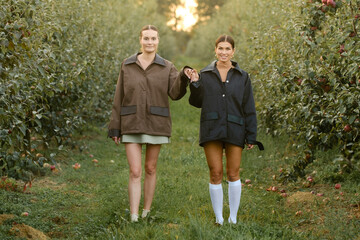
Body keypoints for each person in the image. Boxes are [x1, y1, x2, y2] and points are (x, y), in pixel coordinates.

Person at [108, 25, 191, 222]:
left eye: (153, 38)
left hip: (156, 122)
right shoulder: (127, 65)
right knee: (135, 170)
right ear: (140, 40)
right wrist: (115, 126)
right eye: (146, 38)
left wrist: (183, 77)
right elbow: (118, 95)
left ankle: (146, 210)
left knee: (150, 168)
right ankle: (134, 215)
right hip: (131, 121)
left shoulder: (167, 67)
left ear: (158, 41)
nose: (150, 42)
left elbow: (175, 93)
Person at [187, 35, 264, 225]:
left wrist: (251, 136)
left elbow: (249, 107)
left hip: (235, 127)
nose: (223, 52)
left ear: (233, 51)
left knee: (233, 173)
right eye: (220, 48)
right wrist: (195, 83)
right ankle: (219, 218)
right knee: (215, 173)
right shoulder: (205, 74)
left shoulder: (242, 76)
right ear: (215, 50)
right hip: (211, 127)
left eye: (227, 49)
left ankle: (233, 218)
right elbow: (196, 102)